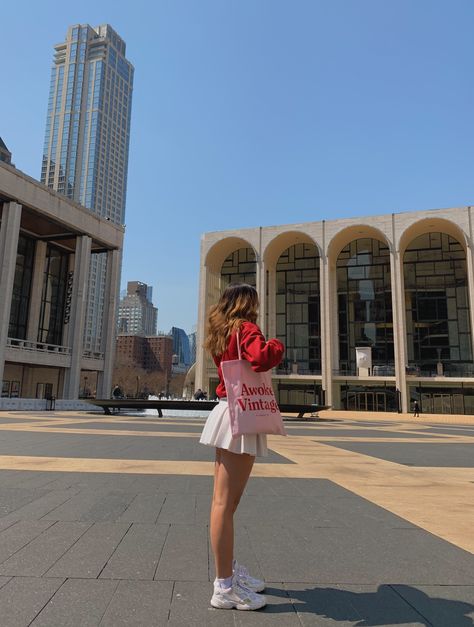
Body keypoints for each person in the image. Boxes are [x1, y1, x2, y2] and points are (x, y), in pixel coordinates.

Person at [199, 283, 284, 611]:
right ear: (248, 304)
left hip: (228, 410)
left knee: (224, 503)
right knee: (224, 504)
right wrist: (276, 344)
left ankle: (229, 573)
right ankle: (224, 586)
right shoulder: (246, 328)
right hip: (241, 414)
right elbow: (262, 357)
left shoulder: (220, 332)